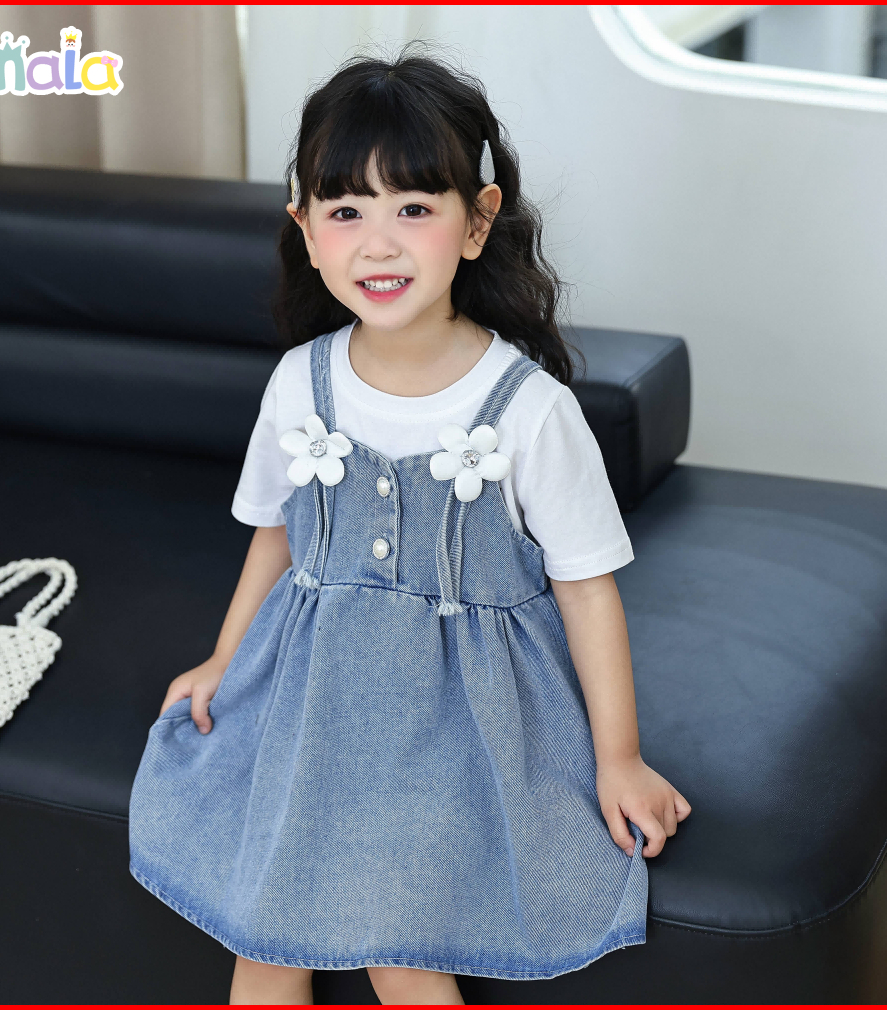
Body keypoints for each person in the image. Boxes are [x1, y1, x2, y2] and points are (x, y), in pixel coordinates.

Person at [129, 49, 690, 1006]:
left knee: (405, 953)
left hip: (459, 717)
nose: (378, 245)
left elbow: (587, 590)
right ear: (306, 231)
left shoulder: (528, 411)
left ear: (477, 222)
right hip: (309, 695)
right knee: (263, 940)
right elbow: (277, 535)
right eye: (347, 212)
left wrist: (618, 758)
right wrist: (225, 657)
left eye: (415, 209)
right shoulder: (299, 383)